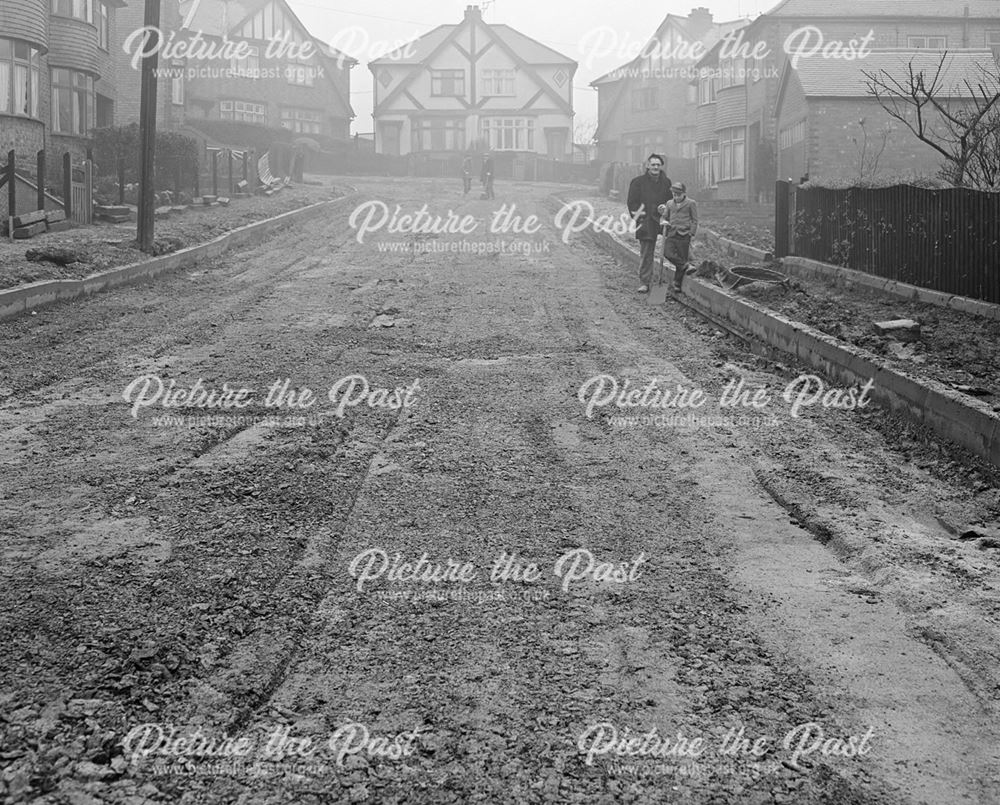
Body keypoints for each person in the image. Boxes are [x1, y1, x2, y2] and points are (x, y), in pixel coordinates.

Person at [626, 154, 673, 293]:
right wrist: (640, 218)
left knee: (676, 243)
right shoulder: (638, 182)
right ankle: (645, 282)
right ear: (647, 166)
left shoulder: (666, 182)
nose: (656, 167)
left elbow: (670, 201)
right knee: (647, 252)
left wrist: (667, 211)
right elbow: (632, 203)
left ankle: (681, 274)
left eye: (658, 165)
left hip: (662, 218)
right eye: (653, 164)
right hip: (646, 220)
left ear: (661, 166)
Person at [658, 182, 698, 292]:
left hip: (684, 235)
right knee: (667, 253)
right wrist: (664, 222)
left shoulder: (691, 203)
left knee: (682, 256)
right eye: (674, 194)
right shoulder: (669, 203)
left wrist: (691, 233)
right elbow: (664, 217)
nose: (676, 197)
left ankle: (677, 283)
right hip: (672, 233)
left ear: (684, 193)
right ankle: (686, 265)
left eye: (678, 195)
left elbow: (695, 220)